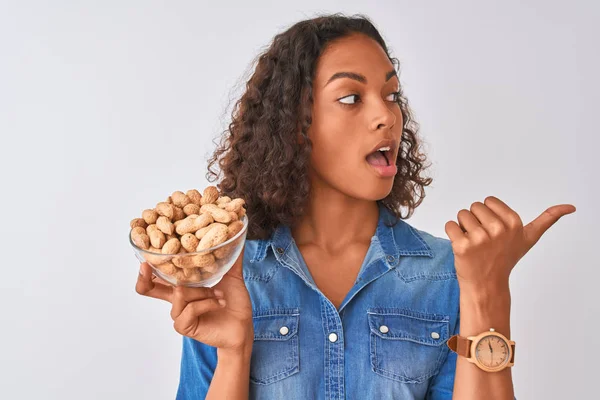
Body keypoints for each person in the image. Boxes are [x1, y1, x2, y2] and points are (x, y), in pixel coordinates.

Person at [136, 12, 575, 400]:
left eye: (391, 95)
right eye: (351, 98)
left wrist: (487, 291)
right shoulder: (230, 272)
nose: (386, 116)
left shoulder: (448, 274)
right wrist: (234, 353)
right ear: (294, 125)